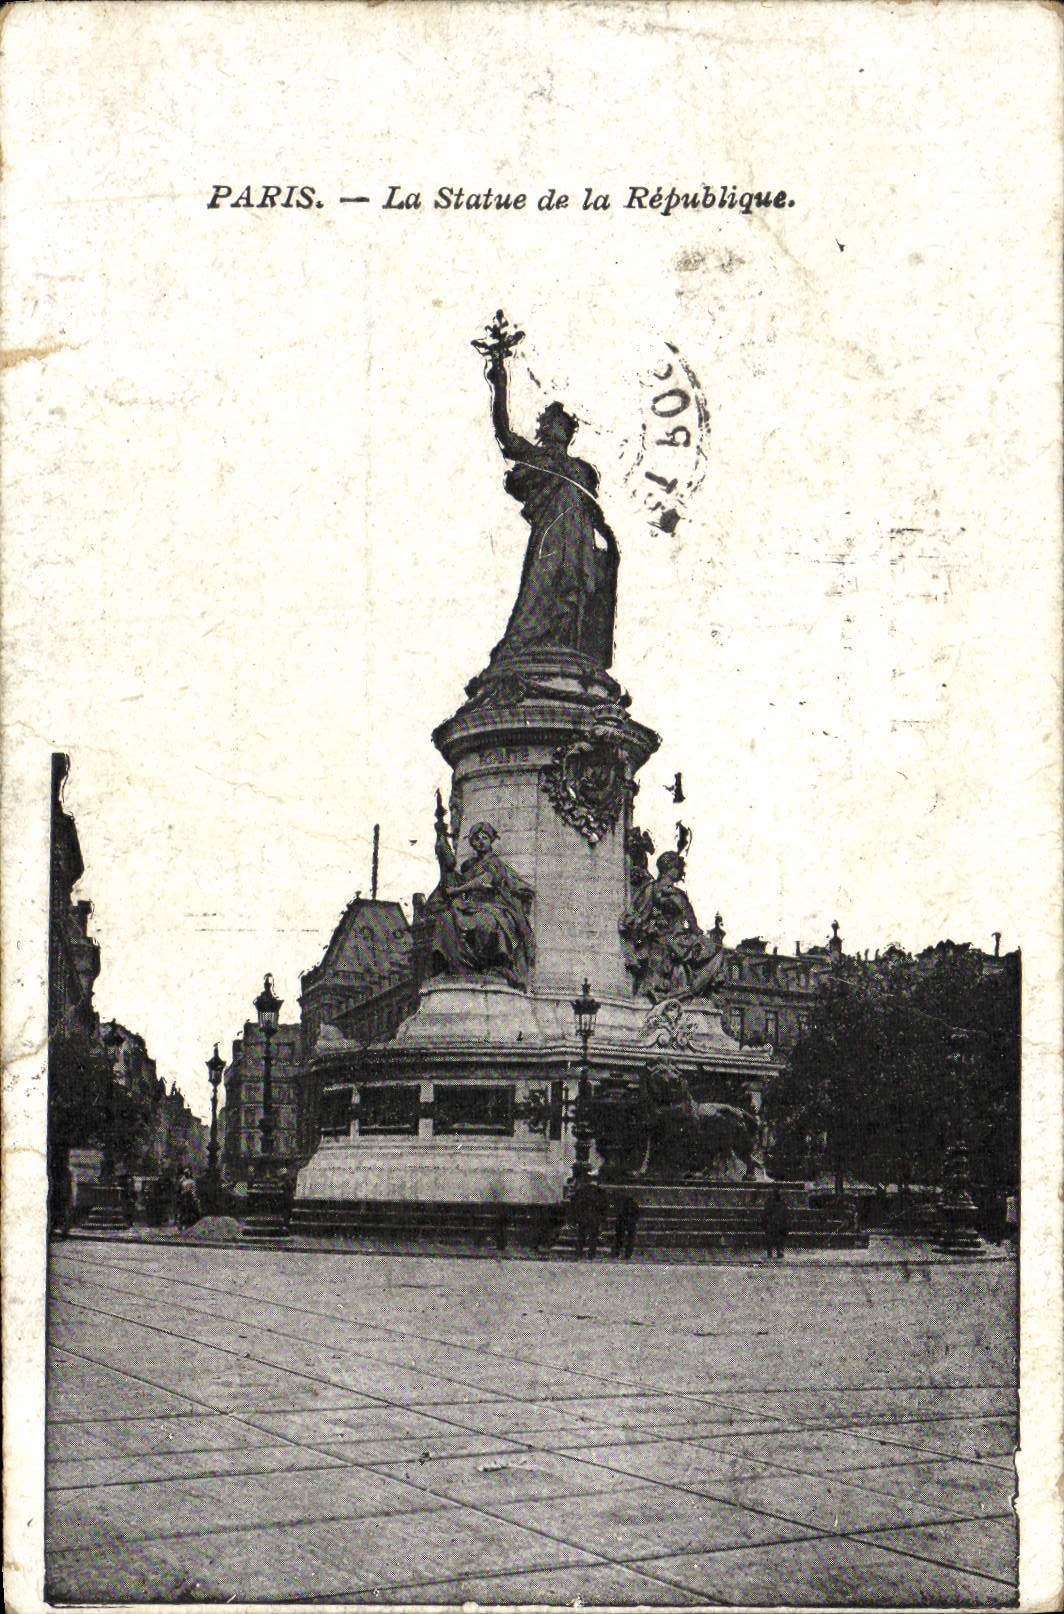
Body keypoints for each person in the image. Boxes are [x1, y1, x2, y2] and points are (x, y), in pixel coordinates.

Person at [484, 347, 619, 668]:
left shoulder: (581, 470)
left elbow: (593, 511)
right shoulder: (539, 459)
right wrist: (499, 381)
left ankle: (567, 647)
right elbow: (504, 434)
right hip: (550, 536)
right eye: (554, 424)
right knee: (541, 586)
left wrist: (607, 540)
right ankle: (530, 646)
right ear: (546, 428)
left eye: (564, 426)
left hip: (578, 538)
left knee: (575, 592)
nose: (559, 429)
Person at [430, 820, 535, 989]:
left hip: (493, 904)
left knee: (484, 922)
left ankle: (491, 964)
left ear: (491, 840)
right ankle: (453, 965)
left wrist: (457, 890)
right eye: (476, 839)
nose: (480, 842)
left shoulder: (495, 863)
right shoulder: (468, 865)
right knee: (446, 919)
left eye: (484, 838)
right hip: (470, 904)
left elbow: (482, 881)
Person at [570, 1177, 605, 1259]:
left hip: (583, 1217)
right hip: (595, 1217)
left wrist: (574, 1218)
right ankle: (591, 1254)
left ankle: (579, 1253)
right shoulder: (600, 1192)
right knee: (593, 1237)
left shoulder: (581, 1191)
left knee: (581, 1236)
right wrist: (603, 1219)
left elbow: (575, 1205)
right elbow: (604, 1206)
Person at [762, 1185, 789, 1260]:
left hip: (775, 1223)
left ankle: (775, 1252)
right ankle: (774, 1252)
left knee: (775, 1238)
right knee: (775, 1238)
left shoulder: (775, 1202)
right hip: (774, 1222)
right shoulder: (779, 1202)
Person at [613, 1190, 640, 1259]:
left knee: (619, 1238)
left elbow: (619, 1213)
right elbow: (637, 1214)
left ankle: (617, 1252)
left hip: (622, 1222)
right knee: (630, 1239)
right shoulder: (634, 1204)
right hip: (631, 1223)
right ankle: (628, 1254)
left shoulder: (621, 1204)